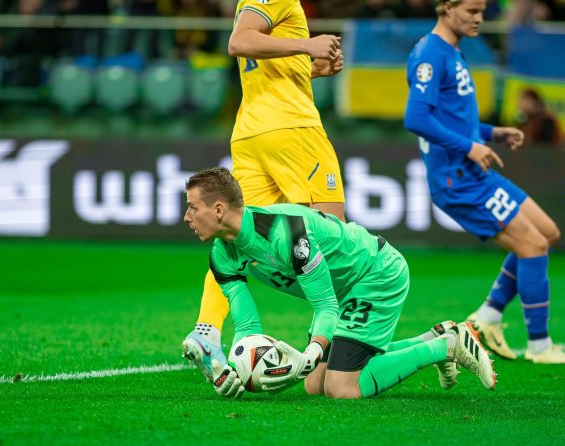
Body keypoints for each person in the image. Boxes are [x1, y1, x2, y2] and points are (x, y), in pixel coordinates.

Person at [184, 167, 496, 399]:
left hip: (375, 273)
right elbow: (248, 326)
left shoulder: (286, 233)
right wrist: (235, 369)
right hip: (343, 289)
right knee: (313, 384)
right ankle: (436, 335)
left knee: (341, 386)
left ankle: (445, 346)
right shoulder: (221, 254)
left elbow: (325, 306)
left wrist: (310, 352)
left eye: (193, 207)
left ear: (220, 210)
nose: (187, 216)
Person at [403, 0, 565, 364]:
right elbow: (416, 117)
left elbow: (453, 119)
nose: (480, 19)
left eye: (482, 11)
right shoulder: (429, 54)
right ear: (445, 8)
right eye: (471, 11)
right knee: (532, 246)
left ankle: (487, 318)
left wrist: (491, 133)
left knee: (547, 233)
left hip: (473, 171)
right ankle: (539, 345)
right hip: (457, 179)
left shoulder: (453, 51)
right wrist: (469, 146)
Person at [181, 0, 347, 382]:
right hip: (291, 129)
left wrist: (311, 69)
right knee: (335, 237)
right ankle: (333, 352)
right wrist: (309, 46)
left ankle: (207, 330)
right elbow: (240, 42)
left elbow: (262, 61)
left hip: (253, 131)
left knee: (235, 236)